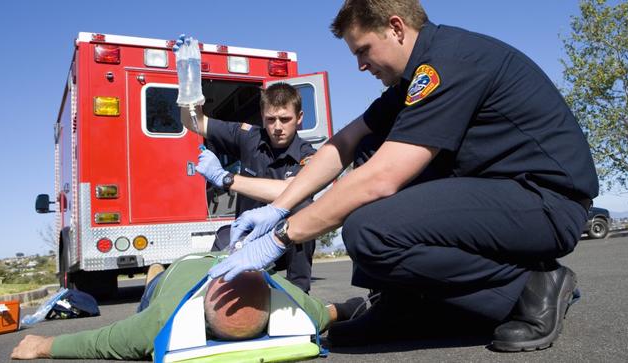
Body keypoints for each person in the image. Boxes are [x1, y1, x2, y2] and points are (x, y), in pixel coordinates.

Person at [207, 0, 598, 352]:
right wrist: (279, 207)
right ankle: (404, 304)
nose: (360, 65)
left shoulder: (448, 63)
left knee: (369, 229)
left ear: (396, 28)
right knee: (368, 148)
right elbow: (345, 141)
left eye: (363, 51)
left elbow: (382, 178)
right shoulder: (413, 79)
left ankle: (529, 287)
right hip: (499, 195)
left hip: (545, 203)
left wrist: (283, 235)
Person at [9, 252, 364, 360]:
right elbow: (101, 341)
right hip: (176, 276)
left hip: (222, 259)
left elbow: (328, 312)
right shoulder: (163, 317)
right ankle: (153, 272)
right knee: (151, 289)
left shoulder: (283, 296)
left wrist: (348, 309)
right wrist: (41, 346)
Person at [178, 64, 318, 293]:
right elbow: (195, 123)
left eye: (285, 119)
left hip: (286, 240)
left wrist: (226, 178)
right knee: (217, 264)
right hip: (245, 238)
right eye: (271, 119)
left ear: (299, 118)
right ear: (263, 117)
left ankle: (299, 294)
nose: (277, 127)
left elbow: (296, 190)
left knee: (303, 207)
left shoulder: (308, 155)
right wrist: (188, 83)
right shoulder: (248, 137)